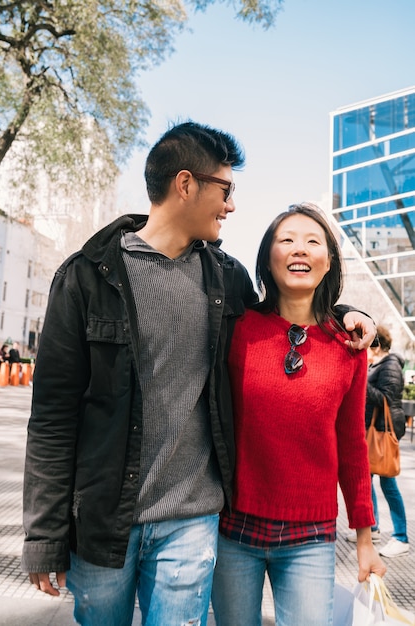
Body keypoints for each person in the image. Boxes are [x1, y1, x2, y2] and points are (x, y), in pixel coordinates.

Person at [21, 124, 377, 626]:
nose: (230, 205)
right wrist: (44, 535)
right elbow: (52, 417)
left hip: (194, 521)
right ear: (186, 184)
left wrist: (348, 312)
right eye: (225, 190)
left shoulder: (224, 278)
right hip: (103, 519)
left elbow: (292, 314)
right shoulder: (84, 278)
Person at [211, 203, 386, 626]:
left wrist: (365, 539)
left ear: (329, 262)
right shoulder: (236, 329)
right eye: (286, 240)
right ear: (267, 260)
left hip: (312, 535)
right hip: (233, 528)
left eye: (313, 242)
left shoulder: (349, 346)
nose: (299, 250)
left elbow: (352, 448)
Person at [366, 326, 408, 558]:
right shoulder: (378, 365)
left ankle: (401, 537)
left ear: (377, 345)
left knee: (388, 483)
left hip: (384, 431)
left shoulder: (390, 364)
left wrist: (361, 382)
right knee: (367, 478)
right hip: (375, 430)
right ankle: (372, 528)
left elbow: (385, 399)